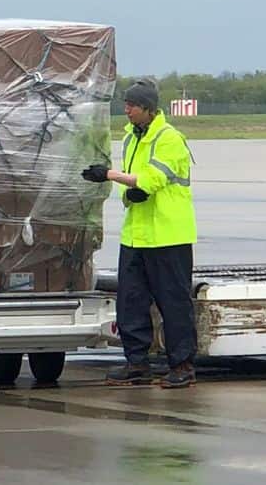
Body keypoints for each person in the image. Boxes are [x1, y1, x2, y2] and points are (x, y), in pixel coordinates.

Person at [81, 79, 198, 388]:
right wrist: (128, 192)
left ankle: (183, 365)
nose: (127, 109)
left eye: (132, 105)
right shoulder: (132, 138)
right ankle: (137, 363)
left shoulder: (169, 138)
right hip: (136, 235)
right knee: (131, 301)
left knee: (173, 302)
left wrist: (108, 175)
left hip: (168, 236)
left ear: (148, 107)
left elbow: (152, 180)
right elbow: (137, 185)